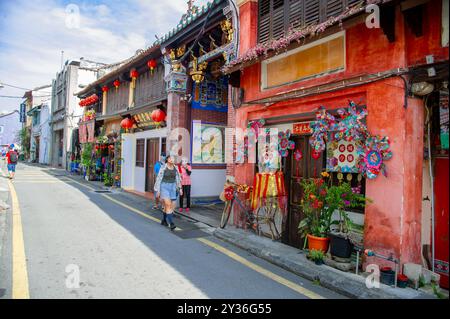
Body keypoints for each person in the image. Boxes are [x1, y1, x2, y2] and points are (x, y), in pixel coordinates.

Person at [154, 155, 182, 230]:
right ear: (168, 160)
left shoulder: (175, 168)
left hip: (173, 187)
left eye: (173, 158)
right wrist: (158, 190)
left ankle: (164, 220)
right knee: (168, 204)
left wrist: (180, 188)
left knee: (172, 206)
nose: (172, 160)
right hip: (164, 187)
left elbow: (178, 178)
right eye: (171, 158)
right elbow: (159, 179)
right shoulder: (163, 167)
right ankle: (171, 223)